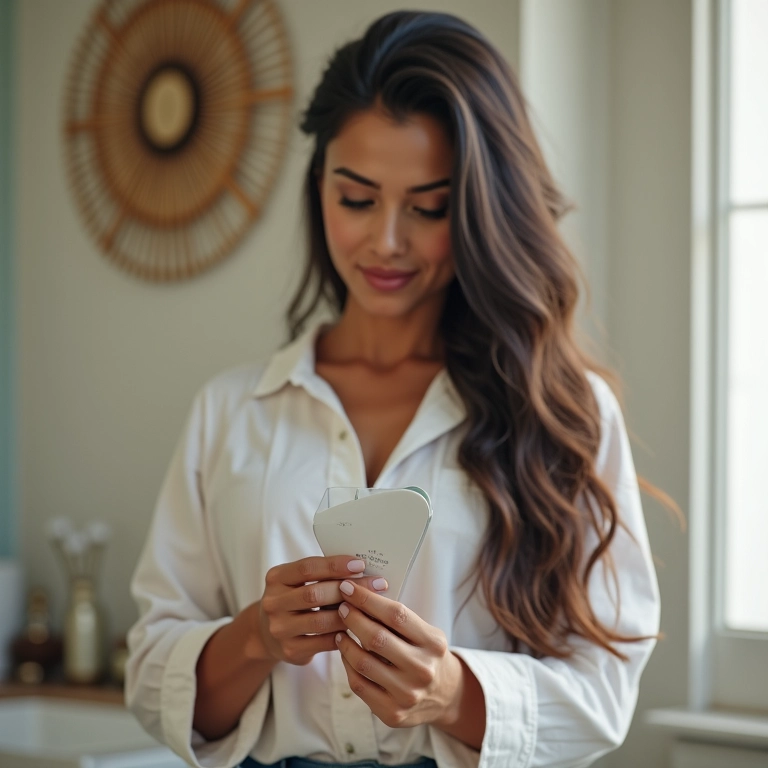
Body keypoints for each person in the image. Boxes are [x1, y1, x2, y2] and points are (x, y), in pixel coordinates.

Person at [125, 10, 661, 768]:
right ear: (320, 190)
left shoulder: (562, 416)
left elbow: (606, 691)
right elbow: (149, 675)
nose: (386, 241)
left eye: (429, 207)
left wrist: (453, 693)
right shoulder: (232, 412)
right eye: (356, 198)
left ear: (479, 207)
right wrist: (254, 637)